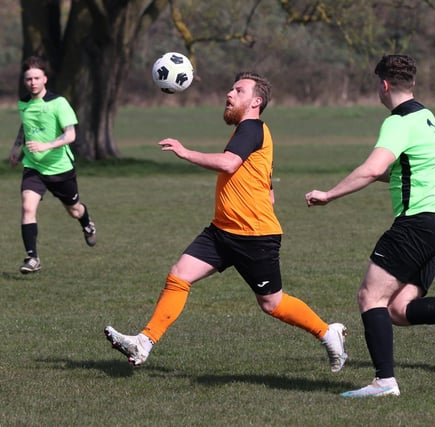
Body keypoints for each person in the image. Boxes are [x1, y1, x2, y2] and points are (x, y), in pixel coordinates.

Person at [104, 72, 347, 373]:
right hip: (222, 230)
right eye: (231, 89)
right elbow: (261, 177)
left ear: (256, 101)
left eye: (238, 90)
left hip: (254, 236)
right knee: (179, 275)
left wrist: (185, 152)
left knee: (272, 304)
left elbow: (229, 163)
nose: (229, 94)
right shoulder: (249, 132)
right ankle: (144, 342)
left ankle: (327, 332)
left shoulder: (252, 128)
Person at [305, 55, 435, 398]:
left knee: (370, 297)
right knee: (398, 309)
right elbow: (401, 172)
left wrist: (330, 194)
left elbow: (371, 168)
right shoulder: (427, 117)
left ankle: (384, 382)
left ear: (383, 85)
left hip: (417, 226)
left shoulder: (399, 122)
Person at [8, 56, 97, 274]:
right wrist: (17, 148)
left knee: (74, 211)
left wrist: (45, 145)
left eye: (37, 78)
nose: (33, 83)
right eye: (29, 79)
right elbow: (26, 125)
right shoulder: (23, 103)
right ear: (24, 81)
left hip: (60, 169)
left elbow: (70, 135)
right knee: (27, 207)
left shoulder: (58, 103)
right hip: (33, 167)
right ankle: (32, 258)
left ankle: (87, 224)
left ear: (45, 79)